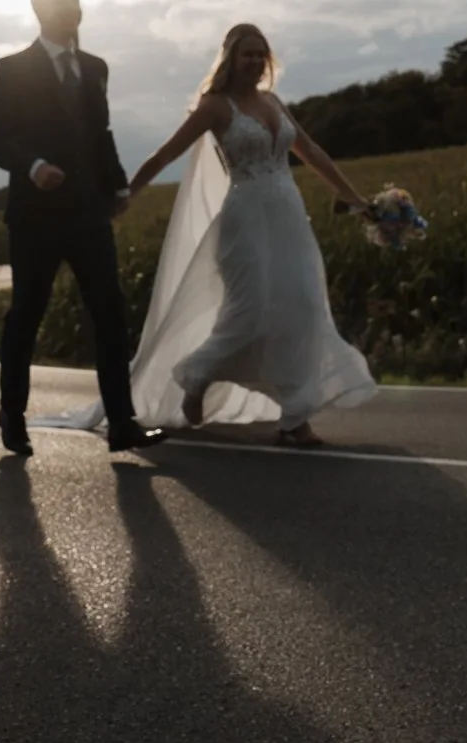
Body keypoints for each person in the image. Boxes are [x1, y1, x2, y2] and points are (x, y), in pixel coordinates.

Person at [36, 23, 378, 447]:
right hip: (244, 216)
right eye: (246, 54)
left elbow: (311, 152)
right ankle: (197, 374)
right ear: (231, 59)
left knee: (302, 306)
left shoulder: (273, 102)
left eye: (260, 54)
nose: (254, 61)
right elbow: (166, 154)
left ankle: (294, 418)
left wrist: (358, 199)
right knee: (247, 312)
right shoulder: (216, 107)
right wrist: (127, 194)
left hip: (288, 216)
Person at [0, 0, 166, 458]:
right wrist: (35, 166)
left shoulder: (95, 67)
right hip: (35, 217)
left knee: (109, 311)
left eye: (78, 0)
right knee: (28, 314)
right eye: (65, 2)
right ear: (41, 10)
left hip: (88, 212)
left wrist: (119, 183)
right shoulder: (12, 68)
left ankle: (122, 422)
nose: (75, 9)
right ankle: (12, 415)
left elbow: (99, 133)